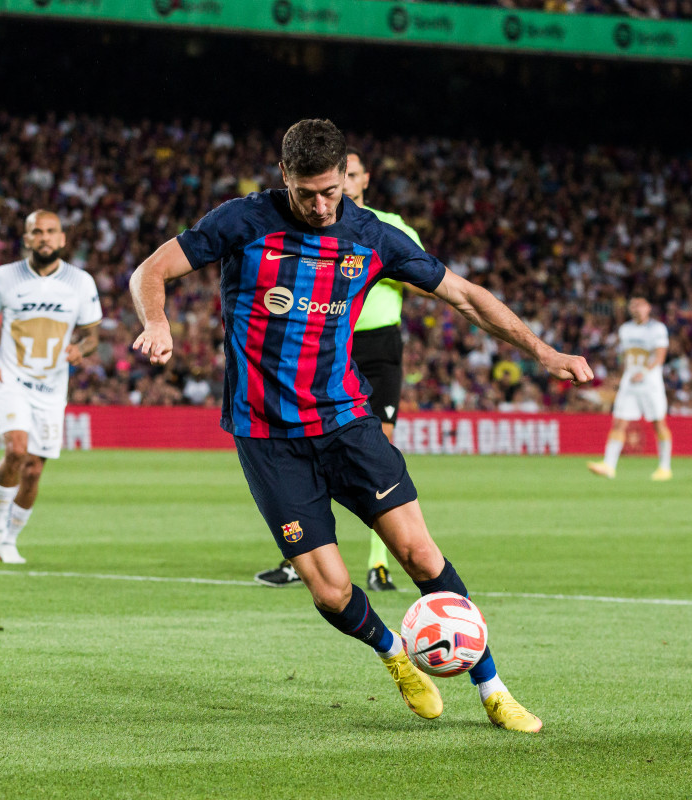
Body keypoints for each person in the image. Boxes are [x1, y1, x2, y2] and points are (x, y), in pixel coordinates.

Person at [130, 119, 592, 732]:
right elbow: (149, 273)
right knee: (329, 589)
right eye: (307, 194)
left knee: (420, 554)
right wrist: (157, 321)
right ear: (284, 179)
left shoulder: (372, 235)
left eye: (332, 191)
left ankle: (493, 688)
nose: (321, 206)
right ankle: (395, 654)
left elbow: (464, 295)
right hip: (268, 438)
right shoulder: (241, 222)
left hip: (348, 424)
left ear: (347, 178)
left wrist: (542, 352)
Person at [254, 148, 424, 593]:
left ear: (360, 178)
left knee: (379, 449)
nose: (340, 187)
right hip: (328, 342)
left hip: (378, 344)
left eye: (347, 176)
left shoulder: (389, 229)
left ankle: (378, 562)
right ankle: (301, 555)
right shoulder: (312, 226)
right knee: (313, 442)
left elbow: (423, 281)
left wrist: (377, 270)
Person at [0, 210, 103, 564]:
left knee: (33, 469)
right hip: (11, 378)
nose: (44, 237)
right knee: (16, 449)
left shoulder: (81, 282)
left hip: (51, 387)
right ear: (26, 239)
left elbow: (93, 335)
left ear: (62, 239)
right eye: (37, 232)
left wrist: (81, 349)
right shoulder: (5, 277)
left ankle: (10, 540)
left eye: (51, 232)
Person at [588, 295, 673, 480]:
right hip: (629, 382)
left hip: (650, 383)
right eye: (633, 305)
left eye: (640, 305)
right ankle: (609, 465)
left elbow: (660, 356)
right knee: (619, 421)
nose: (636, 309)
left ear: (648, 308)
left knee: (658, 423)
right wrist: (620, 377)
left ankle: (665, 467)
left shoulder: (657, 329)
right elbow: (625, 357)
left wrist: (644, 371)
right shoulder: (625, 329)